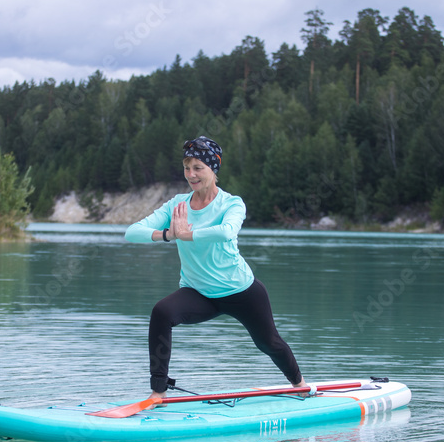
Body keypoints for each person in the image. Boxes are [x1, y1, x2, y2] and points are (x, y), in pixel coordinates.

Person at [124, 136, 308, 403]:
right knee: (161, 312)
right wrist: (167, 234)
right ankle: (158, 392)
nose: (191, 174)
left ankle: (300, 384)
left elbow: (226, 231)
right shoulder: (177, 205)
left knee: (268, 343)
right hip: (198, 293)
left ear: (213, 168)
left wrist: (186, 234)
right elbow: (132, 232)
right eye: (187, 167)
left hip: (240, 290)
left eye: (198, 167)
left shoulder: (232, 204)